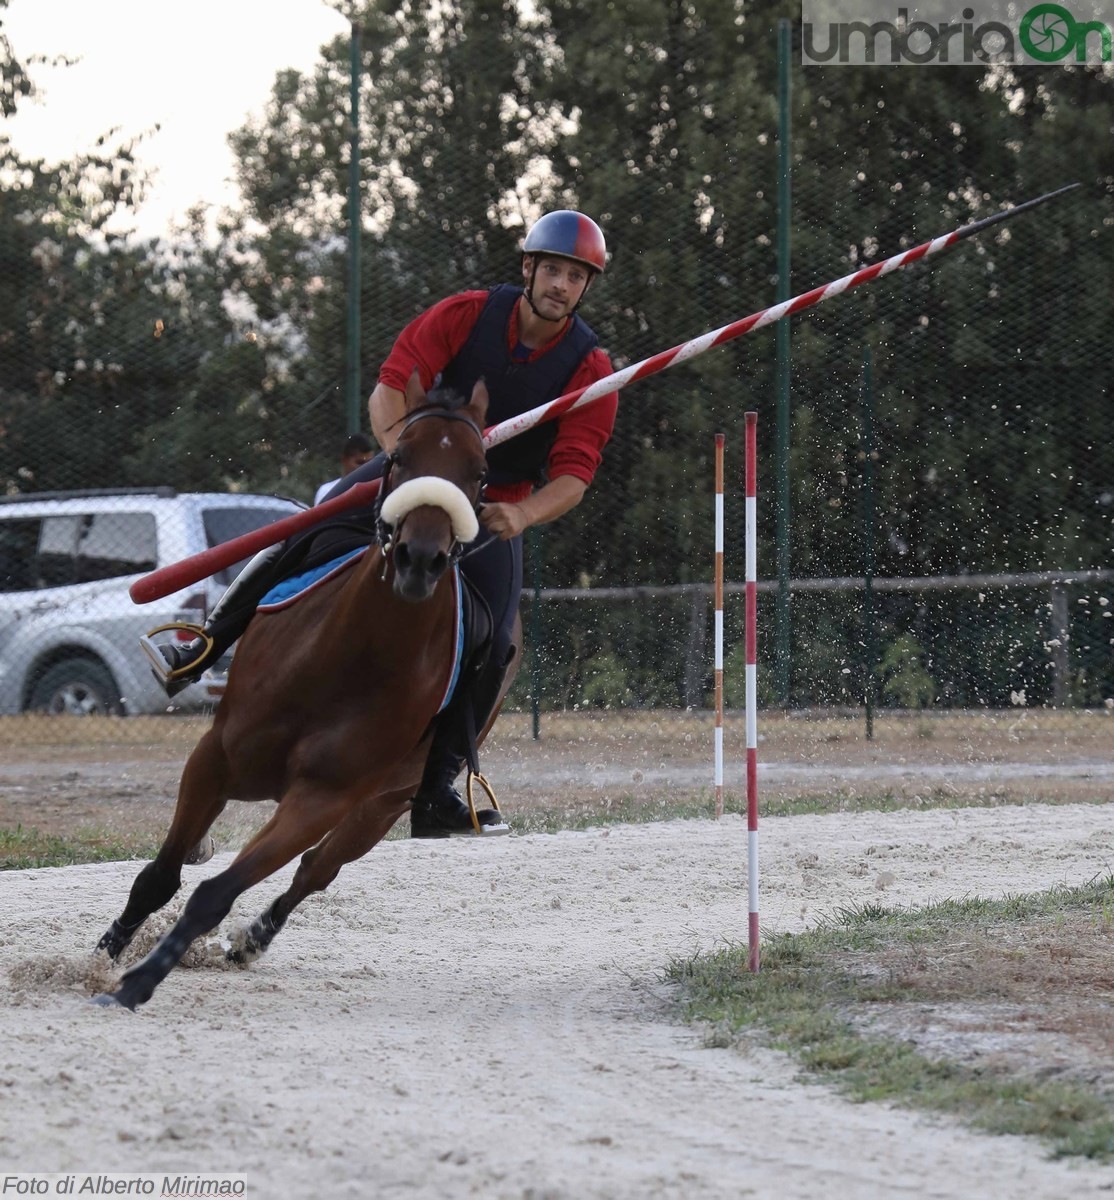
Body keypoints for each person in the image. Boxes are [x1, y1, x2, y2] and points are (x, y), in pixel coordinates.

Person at [145, 210, 619, 838]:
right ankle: (204, 643)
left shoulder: (592, 371)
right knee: (307, 531)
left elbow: (575, 476)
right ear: (529, 267)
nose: (561, 285)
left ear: (585, 287)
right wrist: (402, 455)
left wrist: (523, 512)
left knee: (498, 642)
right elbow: (390, 387)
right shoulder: (466, 314)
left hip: (490, 505)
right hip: (410, 469)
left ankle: (439, 788)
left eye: (576, 277)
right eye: (552, 269)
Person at [314, 432, 375, 506]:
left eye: (369, 463)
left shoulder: (378, 488)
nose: (365, 467)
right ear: (344, 460)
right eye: (360, 462)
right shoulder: (327, 491)